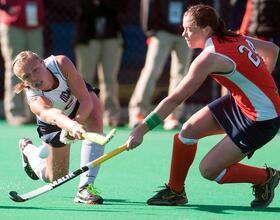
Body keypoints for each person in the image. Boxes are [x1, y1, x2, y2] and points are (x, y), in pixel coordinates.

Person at [126, 4, 280, 208]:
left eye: (189, 29)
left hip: (262, 119)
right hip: (242, 103)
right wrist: (261, 84)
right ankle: (175, 191)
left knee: (209, 170)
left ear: (206, 29)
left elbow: (174, 99)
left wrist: (141, 129)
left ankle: (265, 177)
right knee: (187, 131)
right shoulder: (233, 36)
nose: (183, 34)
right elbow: (272, 50)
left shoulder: (209, 58)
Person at [12, 51, 105, 204]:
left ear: (43, 63)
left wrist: (77, 122)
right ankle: (28, 150)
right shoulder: (36, 100)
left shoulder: (61, 64)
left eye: (35, 70)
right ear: (23, 81)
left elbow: (85, 100)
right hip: (54, 124)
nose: (34, 78)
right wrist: (71, 126)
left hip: (77, 104)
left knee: (95, 118)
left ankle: (85, 188)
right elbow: (55, 116)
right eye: (27, 77)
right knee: (56, 177)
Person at [128, 0, 193, 130]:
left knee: (181, 74)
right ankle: (138, 113)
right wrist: (151, 30)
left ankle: (172, 116)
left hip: (185, 31)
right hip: (161, 31)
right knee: (151, 70)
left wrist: (192, 27)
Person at [74, 0, 126, 127]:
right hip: (87, 38)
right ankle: (83, 116)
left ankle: (111, 115)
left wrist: (100, 3)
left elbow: (119, 6)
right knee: (84, 79)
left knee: (110, 78)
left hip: (112, 36)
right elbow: (84, 7)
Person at [0, 0, 44, 125]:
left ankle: (37, 111)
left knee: (37, 68)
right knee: (15, 68)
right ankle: (16, 112)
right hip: (13, 23)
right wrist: (6, 7)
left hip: (35, 23)